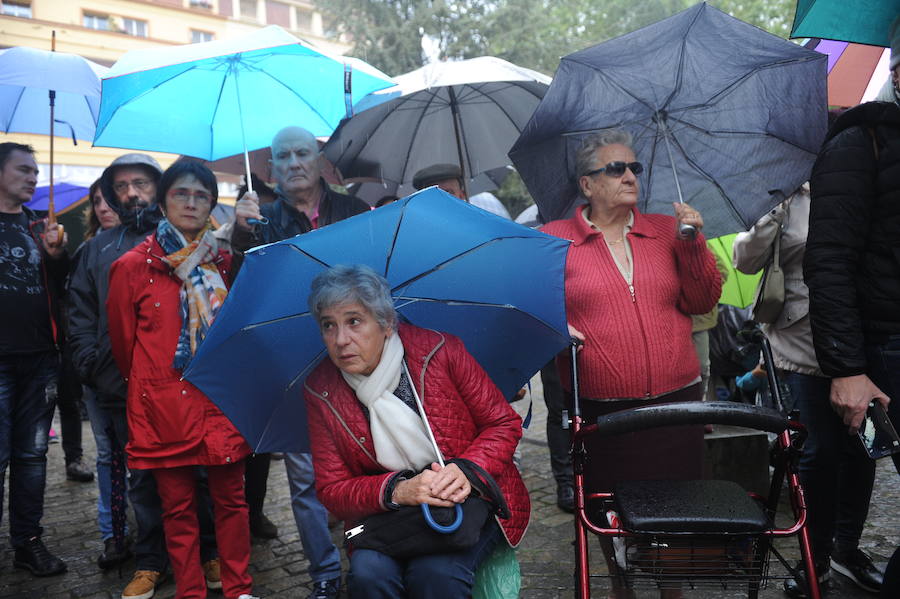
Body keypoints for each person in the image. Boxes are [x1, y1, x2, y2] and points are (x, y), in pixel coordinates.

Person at [541, 130, 721, 599]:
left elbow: (702, 300)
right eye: (615, 168)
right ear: (587, 185)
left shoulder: (666, 230)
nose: (629, 176)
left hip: (677, 401)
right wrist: (556, 329)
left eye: (634, 168)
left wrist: (694, 243)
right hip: (604, 410)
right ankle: (623, 588)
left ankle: (672, 591)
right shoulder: (554, 241)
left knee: (678, 507)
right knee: (611, 510)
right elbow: (531, 308)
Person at [303, 264, 530, 599]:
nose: (340, 340)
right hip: (388, 515)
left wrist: (464, 471)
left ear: (386, 323)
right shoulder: (321, 389)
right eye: (328, 326)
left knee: (436, 575)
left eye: (353, 321)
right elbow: (332, 489)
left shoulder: (440, 351)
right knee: (368, 577)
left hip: (466, 498)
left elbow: (502, 422)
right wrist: (397, 490)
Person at [68, 154, 221, 598]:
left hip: (184, 386)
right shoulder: (98, 247)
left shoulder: (189, 242)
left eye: (140, 183)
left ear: (159, 187)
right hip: (116, 386)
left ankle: (208, 551)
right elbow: (80, 311)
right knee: (142, 477)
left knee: (200, 473)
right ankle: (151, 561)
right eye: (121, 186)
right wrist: (91, 364)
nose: (131, 192)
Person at [107, 160, 256, 599]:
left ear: (212, 204)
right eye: (181, 194)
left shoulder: (224, 262)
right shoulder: (132, 266)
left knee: (231, 503)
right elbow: (123, 345)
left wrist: (248, 232)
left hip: (218, 403)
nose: (191, 203)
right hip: (164, 408)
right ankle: (190, 591)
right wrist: (150, 389)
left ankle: (239, 589)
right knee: (178, 508)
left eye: (201, 196)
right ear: (163, 199)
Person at [232, 126, 369, 599]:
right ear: (269, 168)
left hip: (357, 360)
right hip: (295, 364)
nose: (293, 162)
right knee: (307, 479)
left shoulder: (353, 211)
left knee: (366, 469)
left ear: (319, 161)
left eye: (302, 153)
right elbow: (244, 295)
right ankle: (325, 574)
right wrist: (239, 235)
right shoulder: (258, 221)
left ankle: (366, 556)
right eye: (283, 155)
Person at [735, 186, 883, 597]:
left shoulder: (865, 181)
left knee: (864, 446)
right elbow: (744, 261)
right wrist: (772, 215)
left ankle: (847, 550)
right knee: (819, 450)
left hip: (863, 335)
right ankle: (813, 554)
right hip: (803, 343)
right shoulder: (783, 193)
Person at [803, 16, 900, 595]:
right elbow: (829, 263)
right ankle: (824, 558)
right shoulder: (859, 145)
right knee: (832, 460)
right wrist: (847, 368)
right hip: (881, 349)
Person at [0, 142, 68, 576]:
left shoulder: (39, 228)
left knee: (32, 457)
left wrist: (57, 256)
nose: (33, 177)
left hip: (40, 358)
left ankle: (28, 543)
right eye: (24, 169)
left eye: (36, 170)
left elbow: (61, 290)